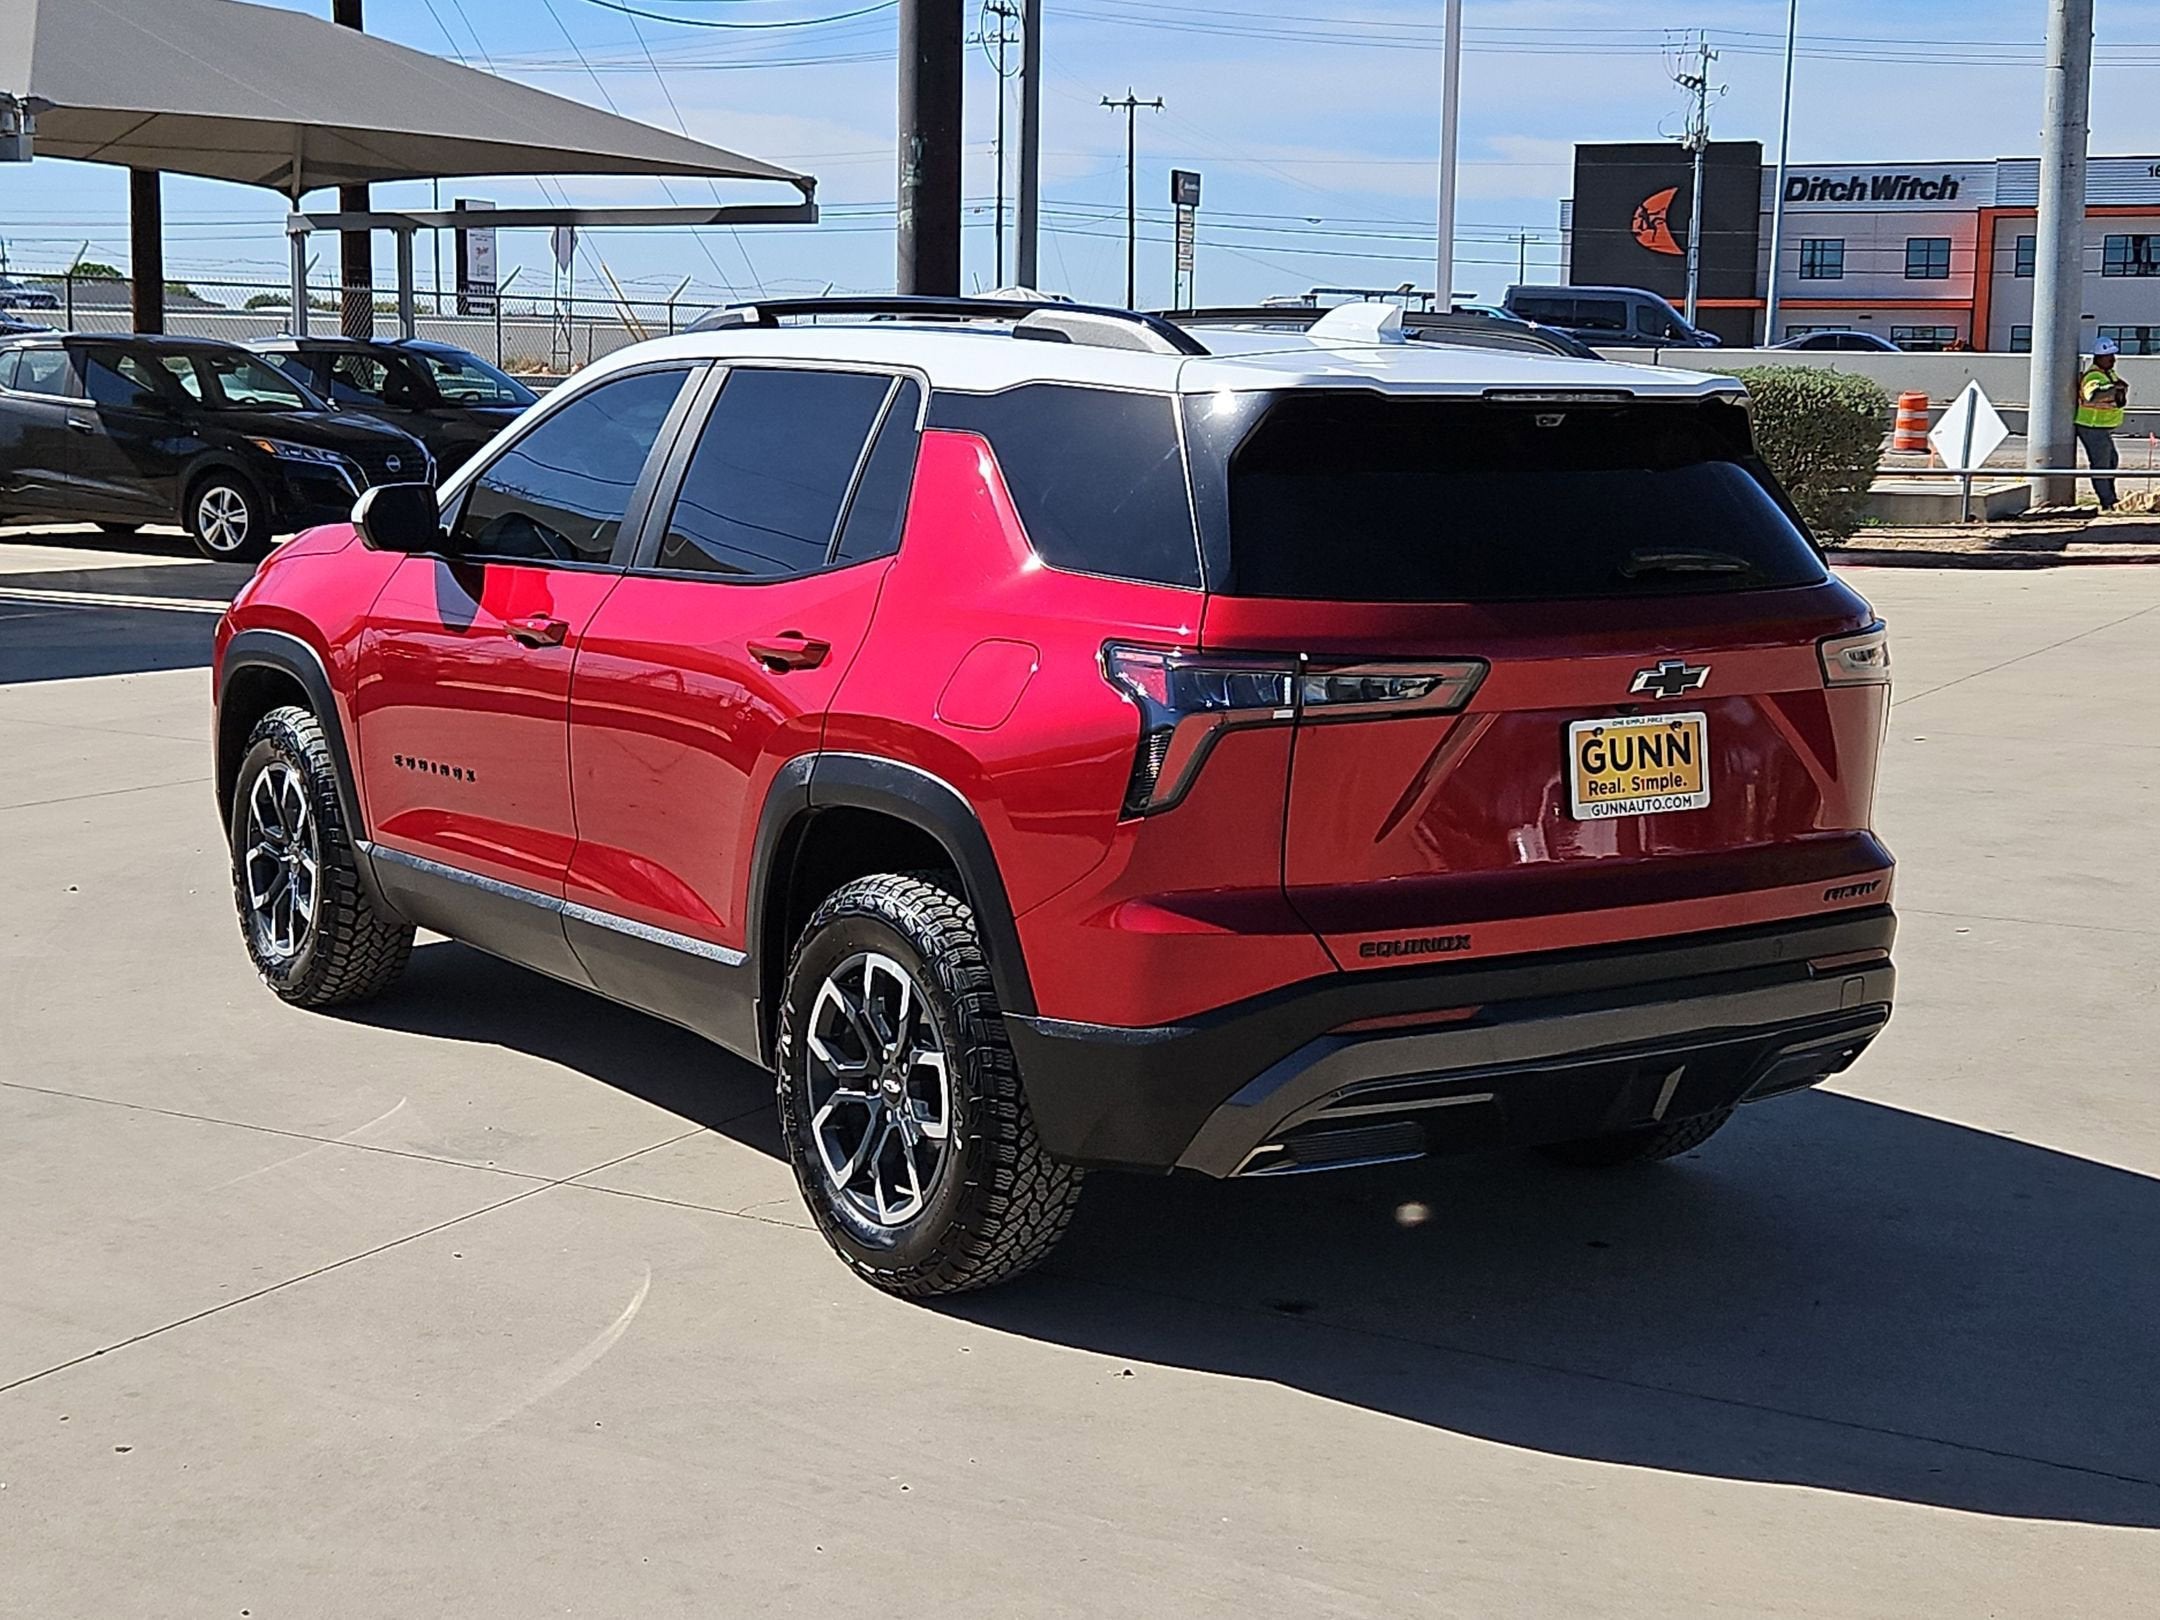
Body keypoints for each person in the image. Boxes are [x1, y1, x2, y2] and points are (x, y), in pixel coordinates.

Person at [2075, 336, 2130, 511]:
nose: (2113, 359)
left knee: (2111, 461)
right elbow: (2093, 395)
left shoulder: (2108, 374)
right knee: (2101, 465)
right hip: (2092, 426)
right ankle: (2107, 502)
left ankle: (2111, 499)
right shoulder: (2094, 376)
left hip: (2101, 427)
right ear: (2099, 357)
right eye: (2109, 356)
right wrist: (2115, 389)